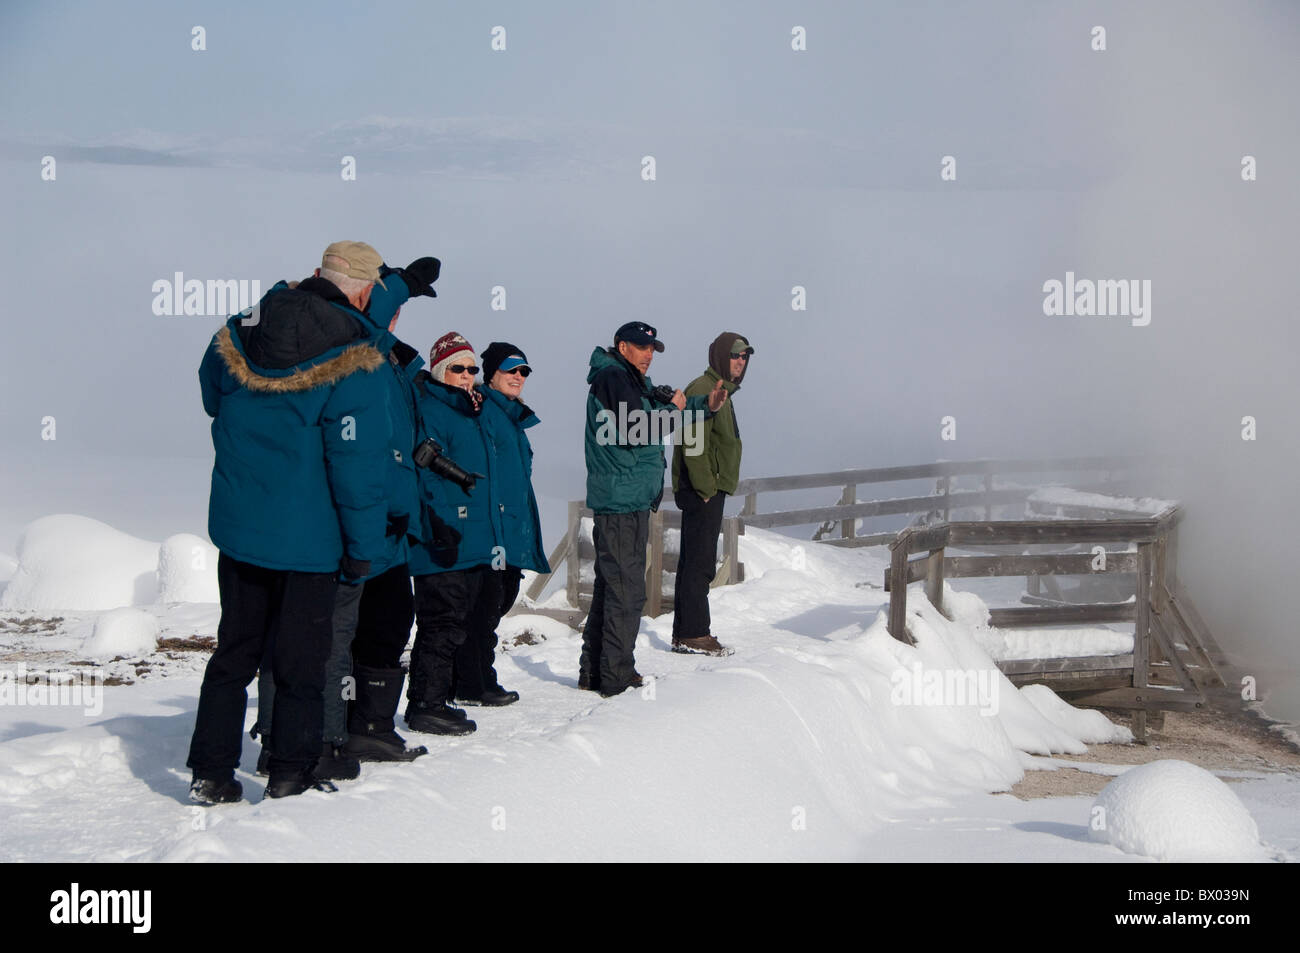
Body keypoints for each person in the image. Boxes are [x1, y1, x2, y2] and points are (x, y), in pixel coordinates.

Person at [187, 241, 393, 803]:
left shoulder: (243, 328)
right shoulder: (358, 354)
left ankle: (211, 771)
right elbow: (356, 465)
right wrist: (362, 548)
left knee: (234, 652)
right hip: (310, 540)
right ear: (365, 290)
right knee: (303, 662)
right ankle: (289, 773)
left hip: (242, 526)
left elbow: (213, 396)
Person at [249, 253, 442, 778]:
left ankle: (365, 729)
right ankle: (308, 741)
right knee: (321, 635)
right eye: (382, 298)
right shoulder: (343, 341)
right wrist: (401, 282)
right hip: (348, 518)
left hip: (388, 520)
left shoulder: (387, 357)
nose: (393, 313)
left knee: (384, 624)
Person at [581, 322, 728, 697]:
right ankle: (615, 676)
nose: (649, 354)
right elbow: (637, 429)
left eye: (652, 349)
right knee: (627, 591)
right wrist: (676, 410)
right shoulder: (614, 378)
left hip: (627, 498)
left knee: (610, 587)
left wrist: (702, 406)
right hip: (620, 501)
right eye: (642, 347)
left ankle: (595, 672)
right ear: (622, 346)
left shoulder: (630, 381)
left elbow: (659, 412)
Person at [405, 332, 504, 734]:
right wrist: (440, 522)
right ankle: (425, 704)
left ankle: (440, 697)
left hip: (470, 540)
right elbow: (424, 470)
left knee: (457, 621)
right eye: (457, 368)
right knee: (440, 622)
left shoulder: (472, 411)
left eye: (471, 369)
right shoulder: (432, 408)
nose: (467, 375)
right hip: (441, 537)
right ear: (440, 371)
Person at [451, 342, 551, 706]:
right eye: (511, 370)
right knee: (483, 605)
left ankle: (474, 676)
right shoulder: (483, 410)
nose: (519, 377)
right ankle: (472, 681)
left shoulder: (509, 415)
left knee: (496, 601)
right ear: (490, 374)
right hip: (489, 527)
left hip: (509, 526)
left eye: (524, 371)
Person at [670, 333, 754, 656]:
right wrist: (706, 487)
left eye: (744, 357)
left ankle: (685, 633)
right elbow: (693, 442)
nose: (740, 362)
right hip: (702, 489)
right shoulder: (704, 389)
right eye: (735, 355)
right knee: (700, 562)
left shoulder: (721, 392)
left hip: (708, 487)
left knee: (694, 559)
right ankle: (694, 634)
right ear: (720, 356)